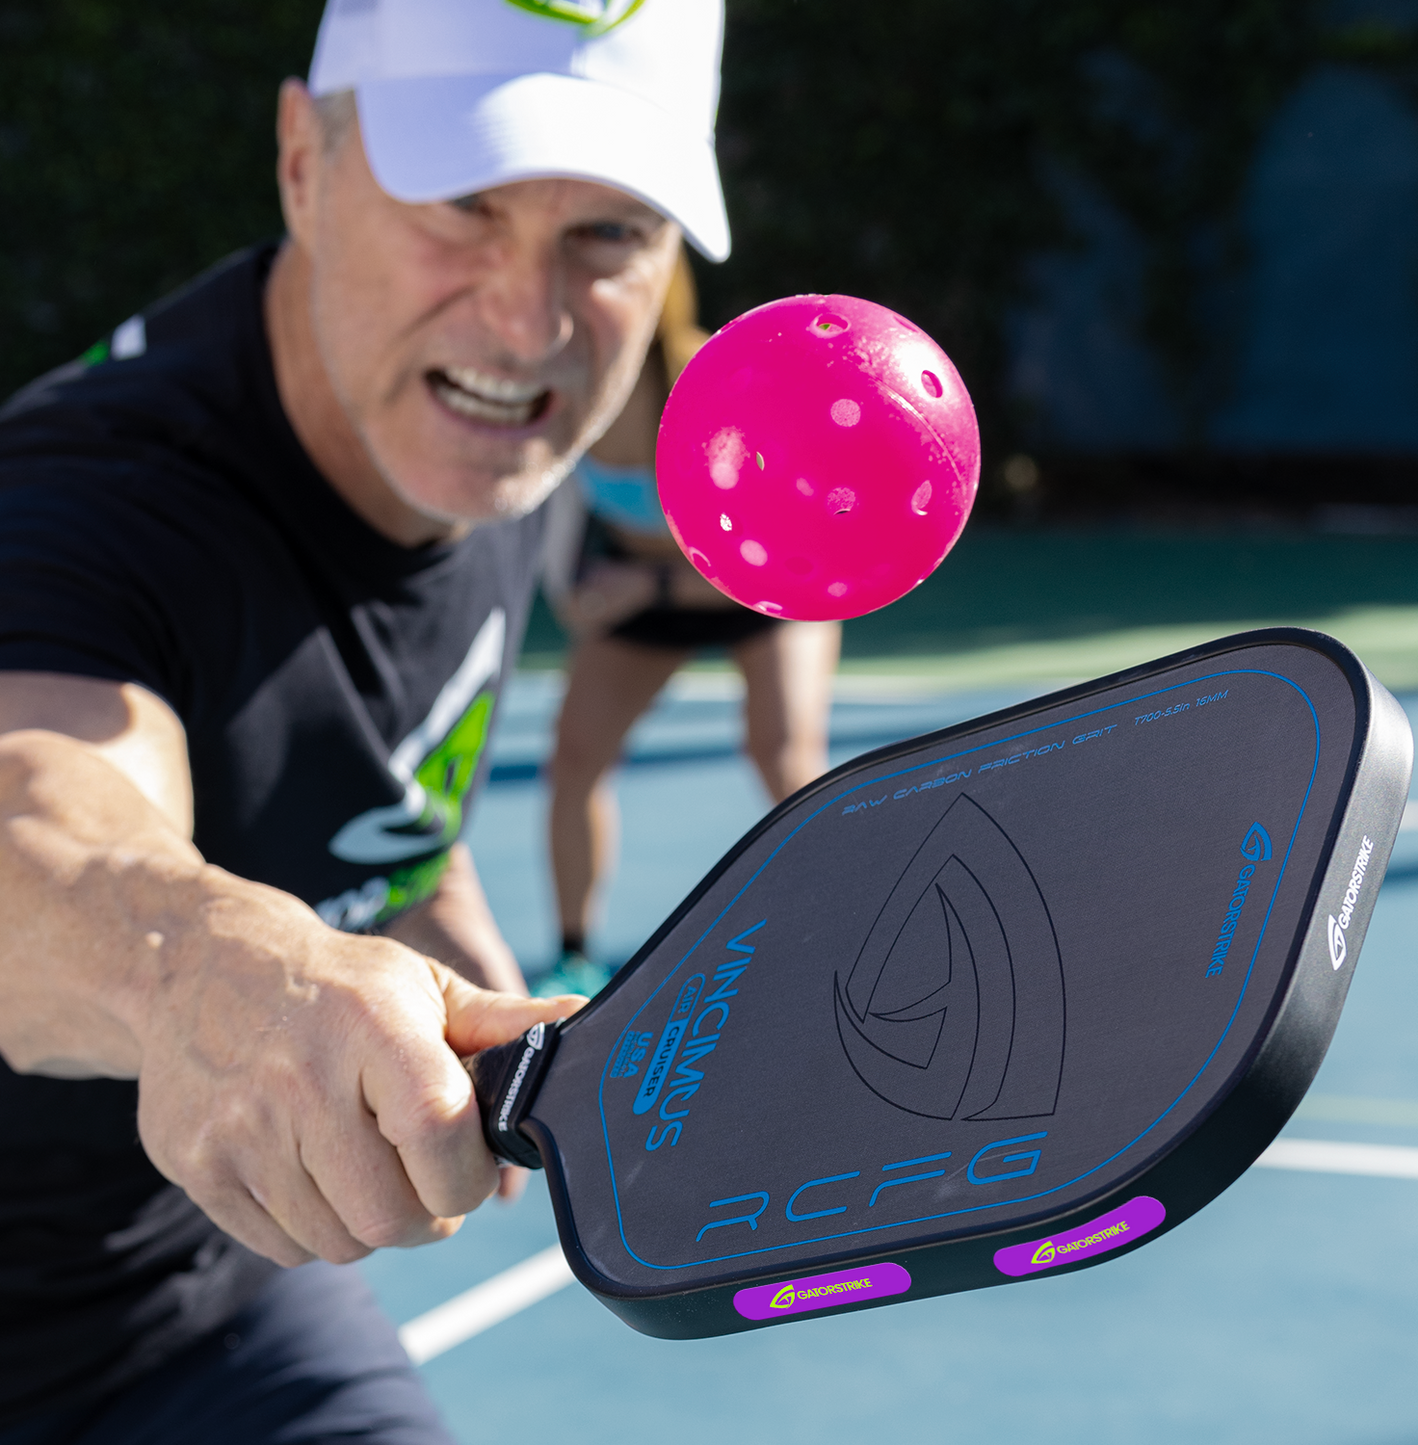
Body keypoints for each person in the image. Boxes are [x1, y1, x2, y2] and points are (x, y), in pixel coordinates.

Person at [0, 1, 729, 1441]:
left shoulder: (478, 437)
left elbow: (386, 750)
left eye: (608, 232)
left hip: (197, 1302)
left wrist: (428, 902)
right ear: (302, 162)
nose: (526, 320)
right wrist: (202, 971)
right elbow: (37, 823)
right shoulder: (90, 505)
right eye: (462, 202)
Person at [533, 256, 842, 996]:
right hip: (642, 594)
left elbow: (787, 547)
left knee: (781, 753)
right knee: (574, 759)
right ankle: (574, 956)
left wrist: (650, 583)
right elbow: (547, 519)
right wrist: (576, 591)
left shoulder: (715, 379)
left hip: (763, 587)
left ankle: (851, 922)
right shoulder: (556, 388)